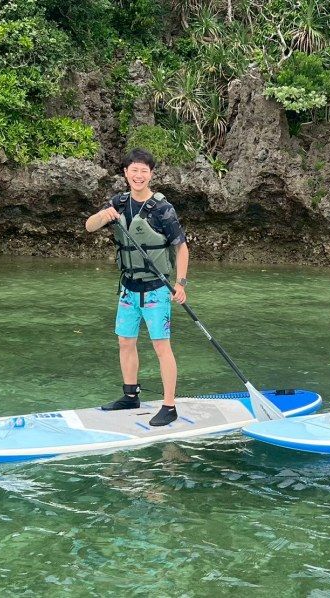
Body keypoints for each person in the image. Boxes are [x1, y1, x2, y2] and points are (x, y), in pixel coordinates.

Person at [85, 148, 189, 426]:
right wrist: (104, 215)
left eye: (144, 170)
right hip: (128, 289)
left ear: (151, 174)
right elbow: (89, 226)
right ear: (126, 173)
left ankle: (169, 406)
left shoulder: (163, 209)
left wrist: (180, 283)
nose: (139, 175)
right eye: (134, 170)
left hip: (156, 288)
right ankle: (130, 396)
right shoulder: (118, 202)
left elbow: (181, 248)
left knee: (161, 347)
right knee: (125, 342)